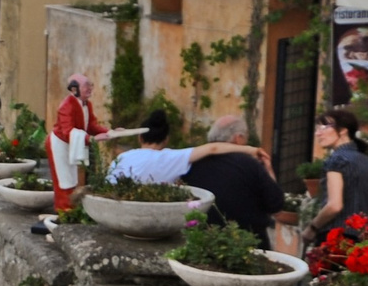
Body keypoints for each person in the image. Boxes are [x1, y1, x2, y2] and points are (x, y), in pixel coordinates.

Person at [187, 114, 289, 245]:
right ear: (238, 138)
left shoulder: (192, 163)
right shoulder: (250, 164)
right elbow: (276, 205)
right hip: (248, 243)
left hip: (203, 242)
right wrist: (268, 168)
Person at [108, 110, 264, 186]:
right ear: (166, 139)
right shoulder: (171, 158)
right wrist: (251, 150)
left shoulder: (122, 157)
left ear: (140, 138)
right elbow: (213, 149)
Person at [307, 108, 368, 233]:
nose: (318, 133)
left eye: (324, 127)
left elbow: (334, 206)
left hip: (334, 235)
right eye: (317, 128)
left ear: (343, 131)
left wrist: (312, 228)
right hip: (359, 238)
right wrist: (366, 233)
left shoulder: (336, 160)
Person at [47, 72, 104, 213]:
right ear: (74, 89)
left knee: (72, 177)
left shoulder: (87, 105)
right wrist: (89, 139)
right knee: (64, 178)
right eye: (86, 85)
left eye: (90, 85)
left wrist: (108, 132)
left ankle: (72, 207)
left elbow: (91, 125)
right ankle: (63, 209)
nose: (89, 88)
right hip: (60, 144)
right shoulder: (66, 106)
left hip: (71, 143)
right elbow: (67, 131)